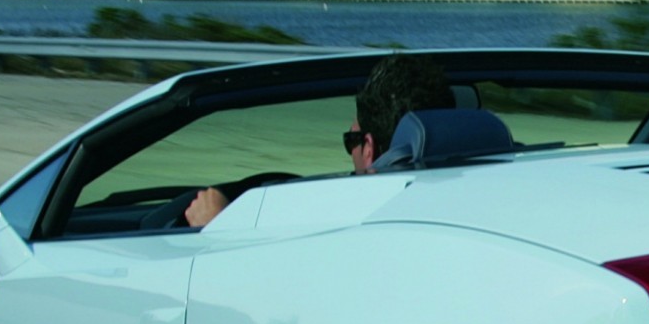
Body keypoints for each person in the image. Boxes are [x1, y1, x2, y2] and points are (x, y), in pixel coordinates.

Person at [184, 53, 454, 227]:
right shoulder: (461, 200)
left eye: (351, 140)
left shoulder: (369, 227)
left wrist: (218, 226)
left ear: (368, 148)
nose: (351, 151)